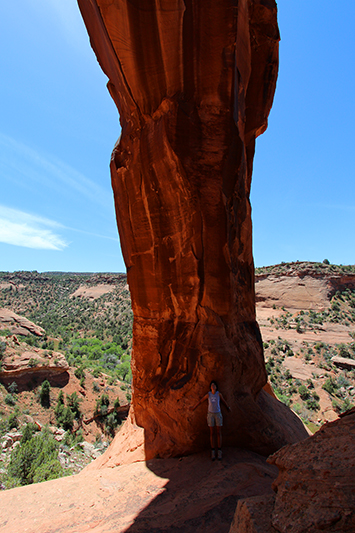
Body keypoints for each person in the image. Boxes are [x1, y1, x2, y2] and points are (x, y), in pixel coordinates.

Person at [191, 380, 231, 461]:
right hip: (210, 415)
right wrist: (194, 407)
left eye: (214, 385)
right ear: (210, 387)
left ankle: (219, 450)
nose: (213, 386)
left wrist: (228, 407)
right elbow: (201, 401)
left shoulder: (218, 394)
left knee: (219, 432)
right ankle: (213, 451)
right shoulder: (208, 394)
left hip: (218, 414)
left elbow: (223, 401)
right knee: (212, 433)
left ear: (216, 387)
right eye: (212, 385)